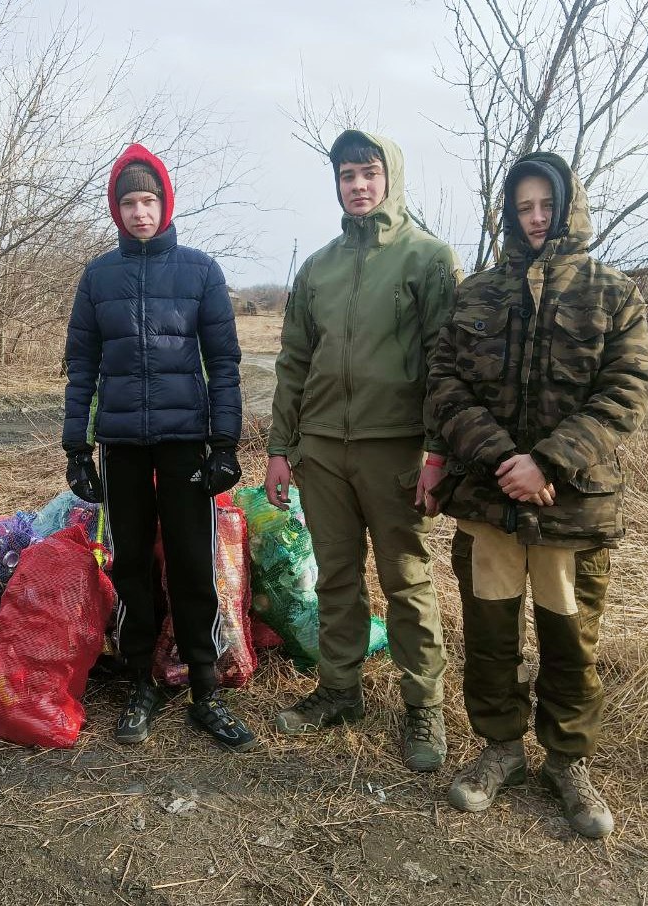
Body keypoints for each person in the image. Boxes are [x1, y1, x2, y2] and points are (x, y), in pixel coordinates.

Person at [425, 152, 648, 837]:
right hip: (491, 501)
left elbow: (627, 391)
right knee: (489, 638)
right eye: (523, 207)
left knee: (569, 642)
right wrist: (501, 458)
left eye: (545, 206)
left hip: (573, 504)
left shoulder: (614, 294)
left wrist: (548, 460)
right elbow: (444, 383)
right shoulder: (477, 293)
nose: (534, 219)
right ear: (509, 212)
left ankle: (566, 761)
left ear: (567, 206)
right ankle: (499, 750)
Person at [264, 130, 463, 772]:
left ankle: (422, 707)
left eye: (369, 173)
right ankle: (339, 690)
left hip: (396, 450)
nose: (358, 185)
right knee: (336, 575)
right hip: (321, 449)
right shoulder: (318, 266)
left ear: (390, 177)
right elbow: (293, 362)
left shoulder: (428, 259)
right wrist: (280, 448)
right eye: (348, 175)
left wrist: (438, 452)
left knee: (406, 579)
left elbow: (448, 365)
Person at [62, 143, 257, 753]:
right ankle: (141, 681)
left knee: (193, 562)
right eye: (128, 203)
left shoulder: (200, 272)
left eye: (148, 201)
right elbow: (82, 367)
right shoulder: (98, 277)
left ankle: (205, 686)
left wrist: (225, 442)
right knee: (132, 565)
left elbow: (224, 362)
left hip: (185, 446)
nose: (140, 213)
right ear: (116, 211)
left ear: (166, 203)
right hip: (122, 444)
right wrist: (77, 446)